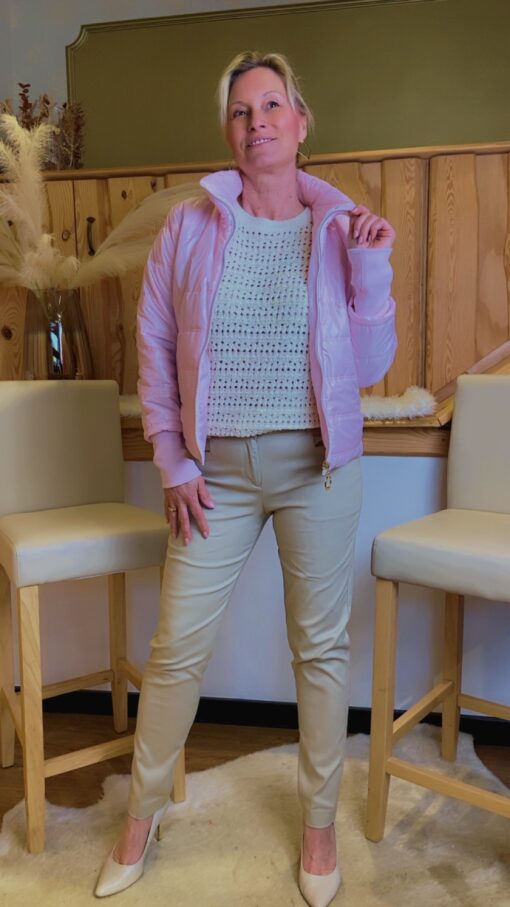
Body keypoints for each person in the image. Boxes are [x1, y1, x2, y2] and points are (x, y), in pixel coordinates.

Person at [95, 50, 397, 906]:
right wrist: (172, 459)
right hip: (214, 475)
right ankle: (140, 816)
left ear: (301, 123)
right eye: (240, 110)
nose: (256, 120)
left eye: (271, 105)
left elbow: (371, 363)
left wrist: (372, 268)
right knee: (175, 648)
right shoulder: (189, 227)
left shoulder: (340, 228)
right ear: (228, 133)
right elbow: (155, 346)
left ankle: (319, 824)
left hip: (317, 468)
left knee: (320, 650)